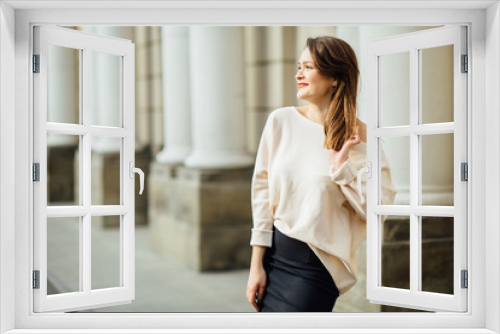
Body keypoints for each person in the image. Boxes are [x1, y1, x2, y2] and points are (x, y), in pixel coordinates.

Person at [245, 36, 397, 312]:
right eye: (299, 66)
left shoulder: (361, 138)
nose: (298, 74)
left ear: (335, 78)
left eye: (309, 67)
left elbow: (379, 208)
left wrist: (342, 169)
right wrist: (256, 265)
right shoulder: (280, 121)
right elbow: (262, 193)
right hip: (274, 258)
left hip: (316, 267)